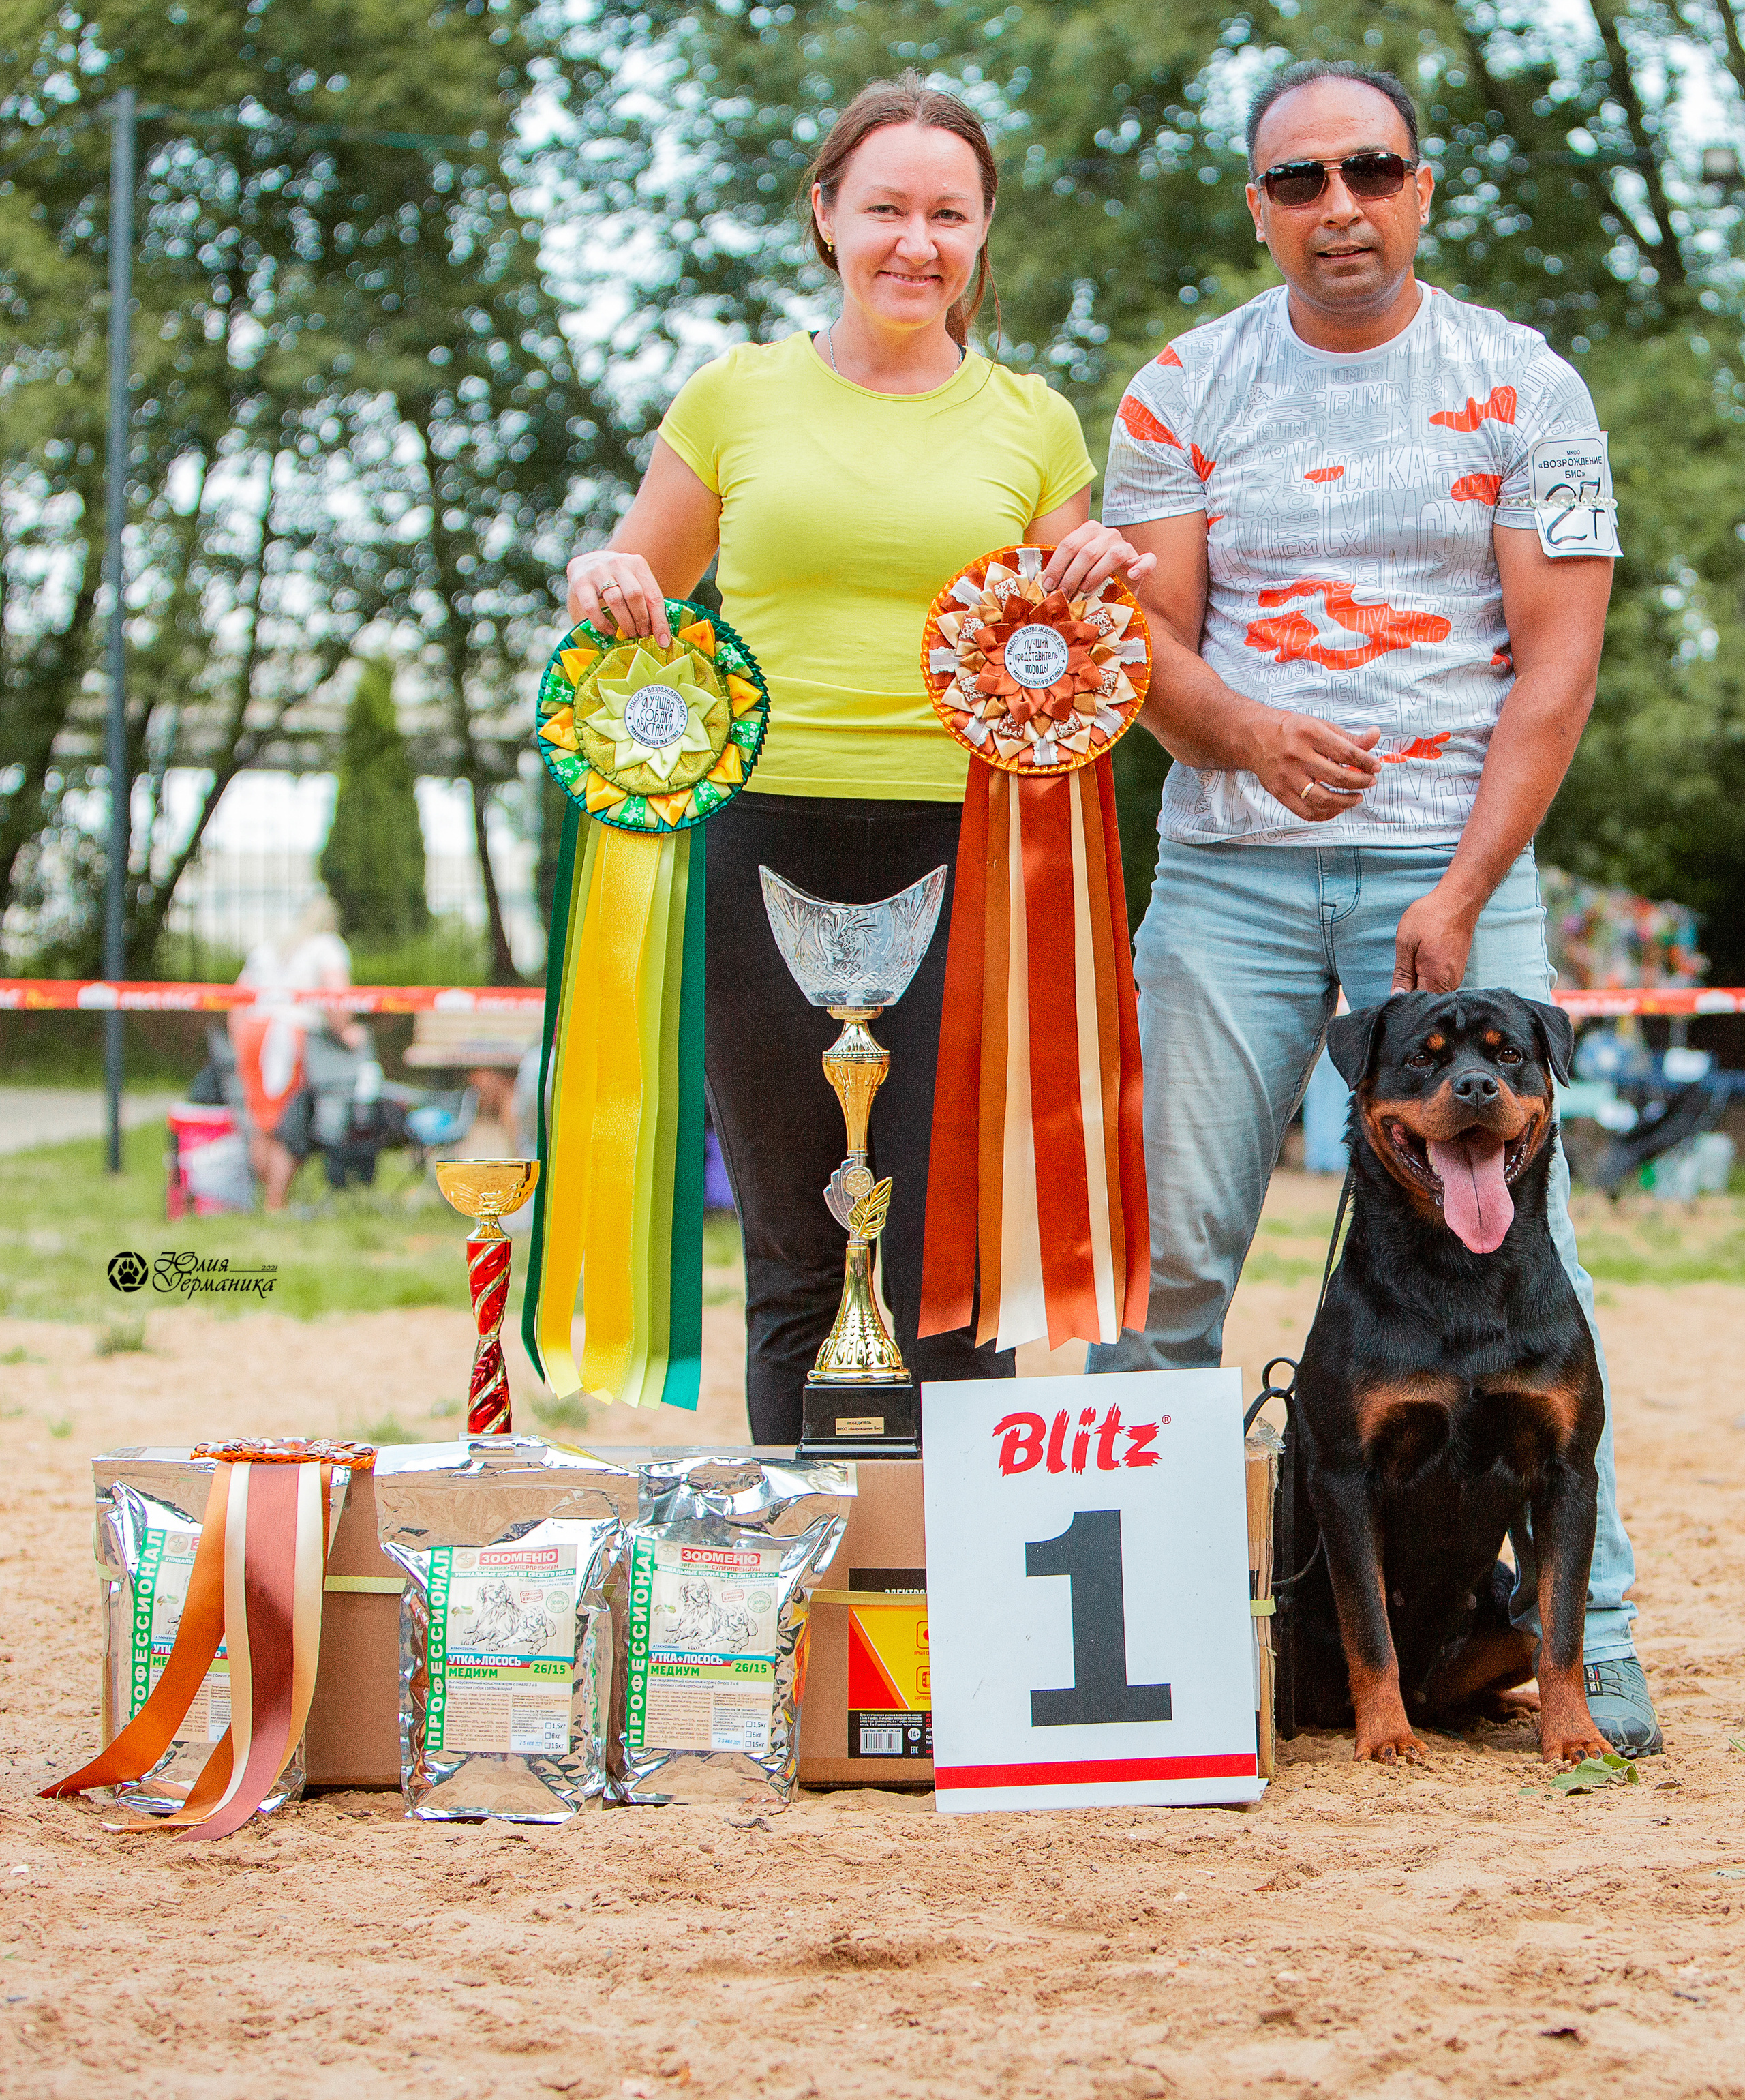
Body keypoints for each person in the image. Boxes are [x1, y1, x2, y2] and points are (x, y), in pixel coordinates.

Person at [1090, 59, 1659, 1753]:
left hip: (1451, 867)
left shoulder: (1524, 384)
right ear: (1252, 205)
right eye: (1294, 181)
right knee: (1171, 1258)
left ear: (1420, 189)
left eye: (1368, 170)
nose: (1334, 205)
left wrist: (1466, 880)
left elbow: (1556, 662)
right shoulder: (1178, 389)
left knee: (1523, 1252)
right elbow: (1145, 653)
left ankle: (1593, 1653)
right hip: (1225, 879)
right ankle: (1150, 1668)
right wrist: (1248, 735)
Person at [563, 71, 1151, 1443]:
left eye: (949, 212)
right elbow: (630, 592)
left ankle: (960, 1610)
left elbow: (1079, 635)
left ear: (981, 233)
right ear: (824, 214)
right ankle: (804, 1603)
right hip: (758, 836)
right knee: (790, 1250)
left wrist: (1101, 570)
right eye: (884, 206)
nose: (915, 241)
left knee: (949, 1266)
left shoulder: (1033, 420)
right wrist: (600, 574)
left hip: (976, 850)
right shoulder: (730, 397)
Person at [229, 893, 366, 1211]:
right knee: (292, 1124)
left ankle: (265, 1199)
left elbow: (237, 999)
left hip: (253, 1031)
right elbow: (337, 997)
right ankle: (275, 1202)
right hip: (292, 1039)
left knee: (261, 1121)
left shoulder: (268, 947)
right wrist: (344, 1030)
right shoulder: (327, 946)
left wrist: (240, 1044)